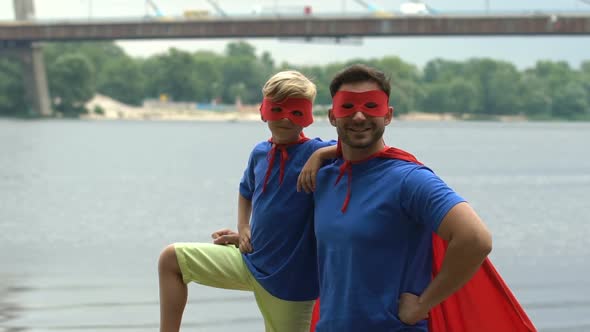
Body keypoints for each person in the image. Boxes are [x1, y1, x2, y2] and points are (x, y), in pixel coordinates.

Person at [311, 64, 494, 331]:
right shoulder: (325, 176)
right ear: (331, 116)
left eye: (371, 106)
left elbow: (476, 239)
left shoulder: (408, 180)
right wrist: (252, 236)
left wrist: (422, 305)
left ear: (388, 115)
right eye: (347, 107)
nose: (359, 116)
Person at [158, 70, 336, 332]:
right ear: (263, 111)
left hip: (290, 283)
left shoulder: (314, 151)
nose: (286, 118)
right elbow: (246, 192)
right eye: (278, 109)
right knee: (171, 260)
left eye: (296, 111)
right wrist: (243, 229)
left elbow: (361, 147)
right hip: (249, 260)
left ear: (308, 117)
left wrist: (321, 156)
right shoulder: (260, 152)